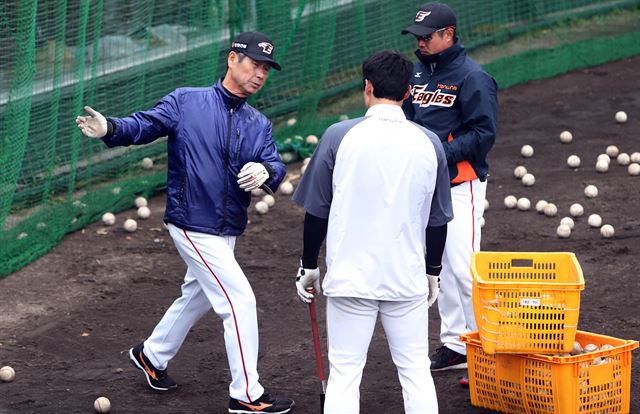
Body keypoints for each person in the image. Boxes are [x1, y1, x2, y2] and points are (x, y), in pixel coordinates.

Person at [75, 31, 295, 414]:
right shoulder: (187, 101)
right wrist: (111, 128)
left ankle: (152, 355)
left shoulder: (258, 123)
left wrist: (267, 171)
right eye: (254, 64)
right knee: (239, 301)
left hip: (227, 227)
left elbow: (275, 164)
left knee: (197, 296)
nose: (260, 74)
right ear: (232, 59)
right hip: (192, 222)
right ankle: (247, 395)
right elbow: (144, 125)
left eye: (266, 69)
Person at [292, 50, 453, 414]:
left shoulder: (337, 136)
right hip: (406, 279)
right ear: (409, 93)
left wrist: (309, 265)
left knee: (345, 375)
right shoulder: (430, 143)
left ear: (367, 87)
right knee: (415, 372)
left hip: (350, 278)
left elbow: (317, 211)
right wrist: (433, 273)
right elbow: (438, 220)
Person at [400, 2, 499, 385]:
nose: (420, 43)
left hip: (462, 185)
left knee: (465, 268)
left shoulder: (473, 77)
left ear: (449, 35)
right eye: (418, 37)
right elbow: (408, 117)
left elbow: (483, 134)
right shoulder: (418, 72)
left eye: (427, 37)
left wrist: (436, 154)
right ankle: (456, 344)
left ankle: (485, 350)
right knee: (437, 264)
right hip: (427, 184)